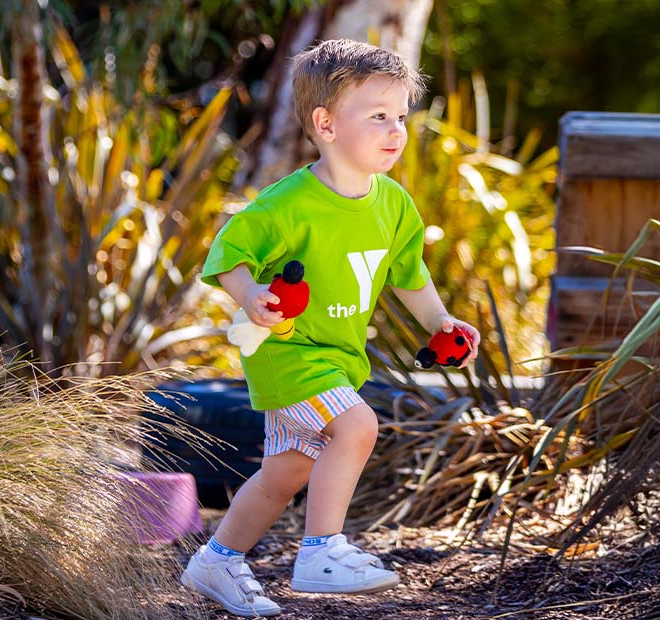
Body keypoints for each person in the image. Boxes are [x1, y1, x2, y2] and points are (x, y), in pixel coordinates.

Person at [180, 38, 481, 617]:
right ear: (326, 123)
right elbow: (227, 254)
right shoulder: (287, 204)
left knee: (285, 474)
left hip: (339, 357)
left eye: (399, 116)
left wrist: (441, 321)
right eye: (377, 116)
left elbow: (409, 276)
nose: (395, 129)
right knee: (357, 425)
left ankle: (216, 561)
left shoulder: (393, 204)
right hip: (288, 350)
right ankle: (321, 552)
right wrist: (253, 296)